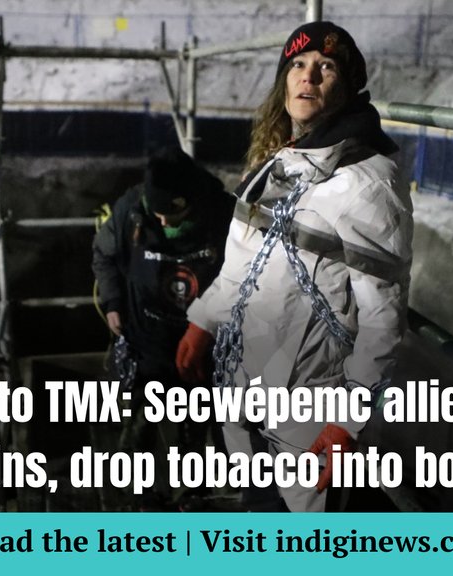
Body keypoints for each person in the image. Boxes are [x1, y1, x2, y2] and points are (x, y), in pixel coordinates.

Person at [175, 21, 413, 512]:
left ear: (346, 89)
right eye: (299, 65)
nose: (309, 77)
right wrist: (203, 318)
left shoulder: (366, 182)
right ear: (284, 79)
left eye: (326, 68)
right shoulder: (281, 161)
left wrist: (349, 418)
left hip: (307, 410)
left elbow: (383, 318)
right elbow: (242, 268)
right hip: (248, 388)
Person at [91, 145, 235, 509]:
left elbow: (247, 275)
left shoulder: (224, 215)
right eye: (157, 215)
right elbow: (104, 254)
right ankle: (137, 499)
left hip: (204, 345)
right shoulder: (131, 212)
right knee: (141, 424)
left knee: (196, 421)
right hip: (148, 339)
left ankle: (191, 495)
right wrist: (113, 303)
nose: (165, 223)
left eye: (173, 214)